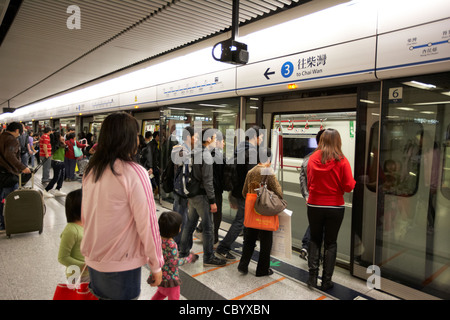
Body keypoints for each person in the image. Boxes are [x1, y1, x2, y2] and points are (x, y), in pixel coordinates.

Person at [80, 112, 164, 300]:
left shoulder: (92, 170)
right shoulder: (134, 173)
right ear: (127, 138)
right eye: (135, 134)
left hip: (94, 259)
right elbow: (147, 224)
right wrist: (156, 264)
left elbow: (87, 215)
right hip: (121, 264)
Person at [306, 128, 356, 291]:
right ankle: (326, 281)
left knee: (314, 239)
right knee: (330, 243)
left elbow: (309, 182)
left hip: (314, 204)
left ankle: (312, 277)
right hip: (335, 206)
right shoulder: (342, 160)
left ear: (321, 141)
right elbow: (349, 186)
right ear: (338, 142)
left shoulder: (312, 158)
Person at [216, 125, 264, 261]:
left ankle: (247, 244)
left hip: (238, 191)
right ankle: (223, 248)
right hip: (247, 193)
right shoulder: (252, 153)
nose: (262, 139)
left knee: (243, 221)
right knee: (240, 222)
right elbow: (253, 177)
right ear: (255, 137)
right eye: (261, 136)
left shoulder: (240, 150)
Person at [179, 128, 226, 267]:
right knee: (208, 227)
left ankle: (183, 252)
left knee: (190, 224)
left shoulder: (194, 152)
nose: (215, 140)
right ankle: (209, 257)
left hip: (192, 194)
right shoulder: (206, 155)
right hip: (202, 196)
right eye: (214, 138)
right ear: (209, 139)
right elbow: (207, 180)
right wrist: (212, 200)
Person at [238, 147, 282, 277]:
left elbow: (244, 192)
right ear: (268, 158)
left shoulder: (251, 171)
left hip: (253, 211)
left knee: (249, 239)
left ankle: (243, 265)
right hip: (266, 210)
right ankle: (262, 270)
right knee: (266, 241)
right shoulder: (268, 171)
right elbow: (278, 192)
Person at [149, 211, 198, 300]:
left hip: (161, 278)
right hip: (170, 281)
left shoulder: (157, 240)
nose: (180, 228)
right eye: (179, 226)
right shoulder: (172, 244)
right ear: (175, 230)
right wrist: (190, 258)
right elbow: (174, 262)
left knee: (160, 294)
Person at [298, 129, 325, 260]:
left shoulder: (308, 157)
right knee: (320, 227)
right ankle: (311, 251)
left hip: (311, 198)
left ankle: (307, 247)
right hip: (323, 199)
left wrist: (306, 196)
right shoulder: (328, 158)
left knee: (316, 224)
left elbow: (302, 178)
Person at [0, 122, 32, 230]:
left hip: (1, 174)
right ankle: (7, 223)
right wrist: (22, 167)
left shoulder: (1, 137)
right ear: (17, 131)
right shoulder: (12, 140)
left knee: (2, 199)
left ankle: (2, 222)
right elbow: (10, 155)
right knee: (10, 200)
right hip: (8, 175)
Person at [57, 189, 89, 283]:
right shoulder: (70, 231)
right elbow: (62, 258)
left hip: (89, 273)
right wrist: (84, 266)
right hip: (76, 275)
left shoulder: (86, 225)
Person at [171, 126, 196, 246]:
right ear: (188, 137)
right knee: (181, 218)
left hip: (179, 189)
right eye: (195, 137)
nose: (196, 139)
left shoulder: (181, 149)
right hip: (182, 190)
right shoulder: (183, 151)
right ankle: (177, 244)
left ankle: (178, 243)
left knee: (181, 216)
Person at [42, 131, 67, 198]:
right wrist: (63, 142)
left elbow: (66, 149)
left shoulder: (61, 143)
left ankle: (58, 189)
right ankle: (46, 190)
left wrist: (63, 142)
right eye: (61, 136)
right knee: (56, 177)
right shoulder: (56, 144)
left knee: (61, 177)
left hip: (61, 161)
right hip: (57, 162)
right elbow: (63, 146)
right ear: (57, 137)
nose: (62, 137)